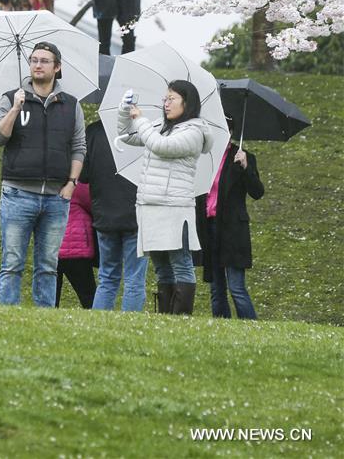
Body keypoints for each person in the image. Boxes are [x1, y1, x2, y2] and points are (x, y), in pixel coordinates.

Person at [0, 41, 86, 307]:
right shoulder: (11, 98)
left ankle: (44, 318)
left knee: (48, 265)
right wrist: (16, 108)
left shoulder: (71, 105)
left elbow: (78, 147)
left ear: (57, 67)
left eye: (44, 60)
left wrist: (71, 184)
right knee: (12, 262)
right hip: (18, 194)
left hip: (56, 198)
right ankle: (7, 315)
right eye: (34, 60)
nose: (38, 65)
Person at [117, 80, 213, 315]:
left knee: (181, 263)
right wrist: (124, 111)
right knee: (160, 266)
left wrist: (140, 120)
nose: (166, 103)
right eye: (165, 98)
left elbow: (161, 146)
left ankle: (180, 317)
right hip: (150, 206)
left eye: (172, 99)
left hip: (174, 207)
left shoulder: (194, 132)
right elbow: (126, 135)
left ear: (187, 103)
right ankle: (165, 317)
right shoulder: (161, 125)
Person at [196, 119, 264, 319]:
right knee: (216, 290)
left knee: (236, 287)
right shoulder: (204, 157)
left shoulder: (242, 157)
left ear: (232, 132)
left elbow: (257, 192)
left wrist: (246, 167)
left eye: (225, 129)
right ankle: (221, 329)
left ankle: (252, 329)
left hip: (232, 230)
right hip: (210, 227)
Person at [81, 120, 148, 311]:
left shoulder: (94, 131)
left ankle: (99, 327)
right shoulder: (144, 131)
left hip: (104, 214)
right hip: (136, 214)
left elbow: (84, 175)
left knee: (107, 277)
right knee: (134, 279)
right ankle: (129, 327)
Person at [55, 182, 97, 309]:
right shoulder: (78, 186)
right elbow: (93, 204)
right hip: (76, 249)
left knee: (51, 297)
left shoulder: (50, 184)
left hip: (52, 247)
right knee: (88, 296)